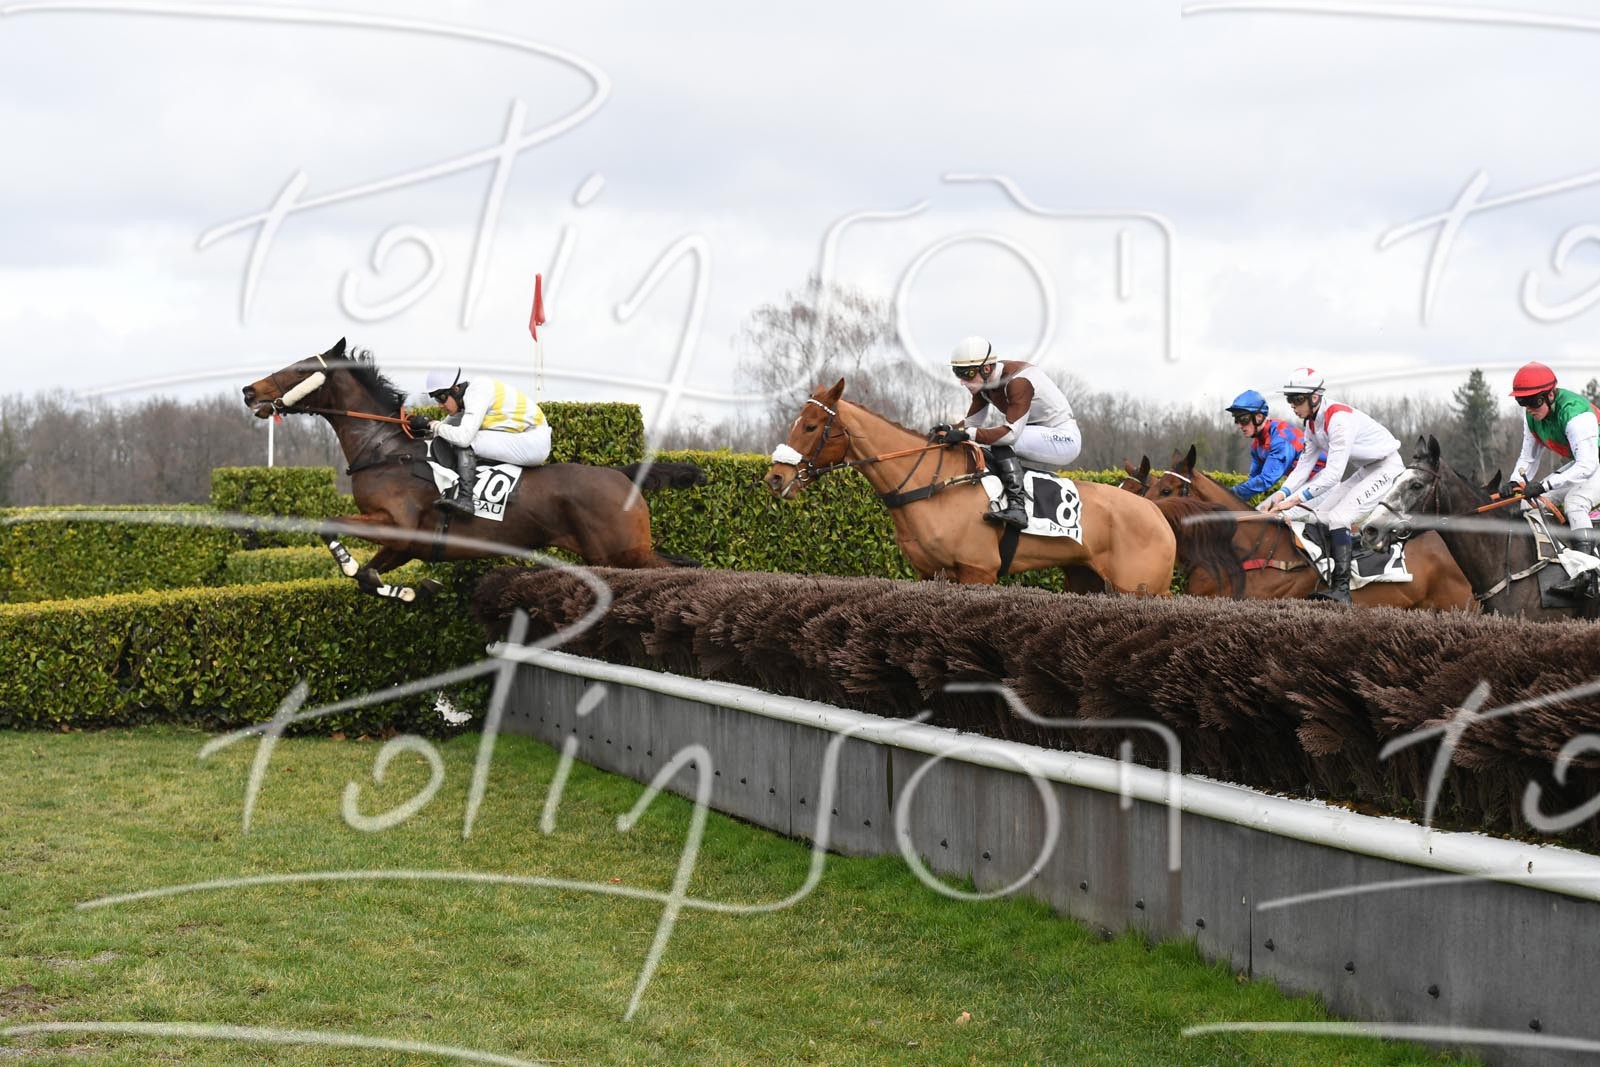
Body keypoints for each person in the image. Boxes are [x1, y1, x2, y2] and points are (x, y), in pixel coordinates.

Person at [1257, 368, 1402, 603]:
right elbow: (1303, 468)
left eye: (1297, 399)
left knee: (1338, 518)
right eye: (1289, 399)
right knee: (1319, 516)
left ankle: (1343, 590)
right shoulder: (1312, 425)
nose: (1292, 405)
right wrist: (1280, 495)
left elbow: (1333, 476)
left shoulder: (1338, 421)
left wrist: (1294, 500)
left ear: (1315, 397)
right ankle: (1332, 574)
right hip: (1367, 469)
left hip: (1388, 468)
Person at [929, 337, 1082, 529]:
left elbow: (1010, 435)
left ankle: (1018, 507)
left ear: (986, 369)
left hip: (1063, 437)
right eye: (957, 373)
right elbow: (971, 424)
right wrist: (949, 429)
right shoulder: (984, 386)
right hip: (1034, 432)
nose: (962, 381)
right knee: (985, 442)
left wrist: (968, 433)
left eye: (967, 374)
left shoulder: (1018, 382)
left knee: (1001, 441)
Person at [1502, 361, 1600, 595]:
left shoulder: (1575, 414)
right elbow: (1528, 458)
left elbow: (1587, 465)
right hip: (1586, 463)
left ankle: (1588, 577)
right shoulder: (1532, 418)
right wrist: (1516, 482)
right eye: (1522, 402)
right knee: (1529, 503)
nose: (1529, 408)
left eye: (1533, 401)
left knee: (1575, 502)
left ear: (1551, 395)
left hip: (1590, 463)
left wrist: (1545, 484)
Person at [409, 369, 551, 516]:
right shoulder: (466, 401)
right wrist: (424, 427)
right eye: (436, 399)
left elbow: (463, 438)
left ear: (456, 389)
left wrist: (432, 424)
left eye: (441, 397)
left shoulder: (478, 390)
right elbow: (442, 429)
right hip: (525, 439)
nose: (440, 405)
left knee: (467, 441)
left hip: (533, 441)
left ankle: (465, 500)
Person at [1224, 389, 1326, 501]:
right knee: (1262, 509)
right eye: (1236, 420)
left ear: (1259, 417)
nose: (1239, 425)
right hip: (1304, 484)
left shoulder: (1281, 437)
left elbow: (1266, 479)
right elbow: (1253, 481)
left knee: (1275, 510)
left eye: (1243, 419)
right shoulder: (1256, 446)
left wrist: (1230, 494)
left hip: (1325, 480)